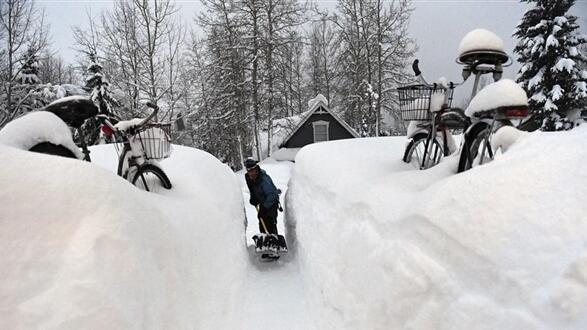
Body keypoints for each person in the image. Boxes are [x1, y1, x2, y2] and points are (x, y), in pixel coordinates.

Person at [244, 158, 280, 236]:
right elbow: (252, 189)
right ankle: (265, 240)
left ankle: (274, 240)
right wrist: (253, 198)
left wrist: (264, 207)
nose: (251, 173)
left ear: (256, 168)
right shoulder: (248, 178)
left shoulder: (264, 179)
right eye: (249, 171)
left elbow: (272, 195)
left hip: (272, 201)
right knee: (262, 221)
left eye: (253, 170)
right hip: (263, 201)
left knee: (270, 221)